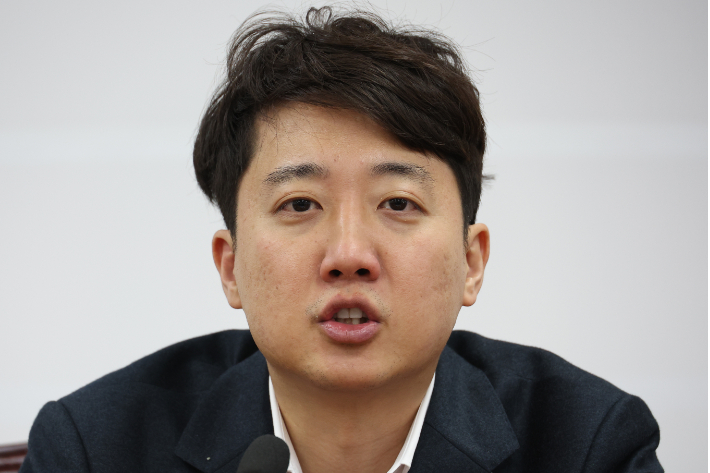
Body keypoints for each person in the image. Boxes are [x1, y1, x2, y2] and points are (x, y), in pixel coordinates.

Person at [20, 6, 663, 473]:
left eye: (398, 204)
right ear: (231, 267)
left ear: (471, 262)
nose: (349, 255)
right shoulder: (95, 449)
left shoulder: (587, 445)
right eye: (300, 204)